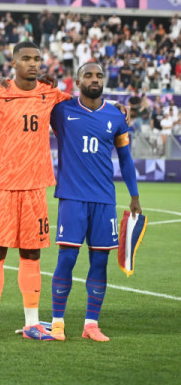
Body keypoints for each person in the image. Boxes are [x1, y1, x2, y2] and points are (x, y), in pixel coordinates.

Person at [0, 41, 70, 341]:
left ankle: (32, 323)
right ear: (13, 63)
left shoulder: (49, 94)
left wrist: (118, 108)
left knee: (32, 253)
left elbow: (81, 106)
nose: (33, 63)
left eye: (37, 58)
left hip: (36, 185)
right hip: (2, 185)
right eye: (26, 58)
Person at [49, 63, 141, 342]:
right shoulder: (62, 111)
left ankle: (91, 324)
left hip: (104, 200)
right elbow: (38, 103)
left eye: (99, 75)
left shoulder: (115, 116)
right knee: (67, 259)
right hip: (72, 197)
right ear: (77, 81)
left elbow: (125, 158)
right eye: (88, 75)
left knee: (100, 261)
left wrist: (134, 195)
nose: (94, 79)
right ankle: (56, 322)